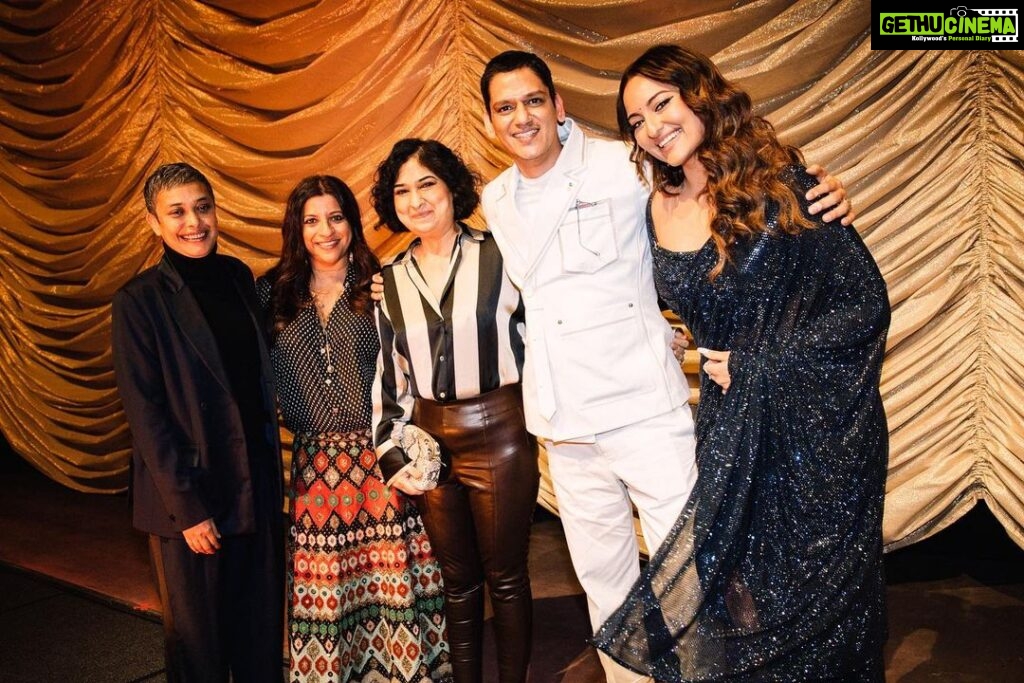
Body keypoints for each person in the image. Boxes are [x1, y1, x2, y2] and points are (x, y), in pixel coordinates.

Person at [477, 51, 853, 683]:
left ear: (558, 106)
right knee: (602, 579)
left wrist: (816, 187)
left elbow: (719, 188)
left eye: (534, 100)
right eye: (505, 107)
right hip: (562, 421)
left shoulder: (626, 165)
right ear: (491, 121)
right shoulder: (496, 198)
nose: (522, 117)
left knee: (691, 570)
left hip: (644, 406)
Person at [592, 44, 890, 681]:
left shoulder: (781, 185)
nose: (652, 127)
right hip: (730, 424)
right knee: (738, 594)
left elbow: (865, 304)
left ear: (700, 96)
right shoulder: (651, 206)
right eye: (636, 120)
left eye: (662, 104)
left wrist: (761, 363)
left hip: (818, 430)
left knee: (823, 602)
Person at [256, 175, 451, 683]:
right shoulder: (271, 294)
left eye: (336, 217)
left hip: (379, 460)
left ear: (352, 222)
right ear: (296, 229)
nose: (326, 231)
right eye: (312, 220)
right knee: (327, 593)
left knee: (389, 586)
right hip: (313, 469)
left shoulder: (381, 285)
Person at [370, 139, 538, 683]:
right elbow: (390, 377)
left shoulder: (502, 254)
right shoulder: (389, 279)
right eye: (402, 191)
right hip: (431, 440)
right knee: (456, 580)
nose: (416, 200)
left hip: (500, 431)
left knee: (505, 576)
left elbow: (545, 334)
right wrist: (392, 453)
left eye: (428, 185)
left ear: (451, 189)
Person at [111, 162, 285, 682]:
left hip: (255, 486)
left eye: (202, 207)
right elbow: (146, 416)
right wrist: (188, 511)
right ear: (153, 222)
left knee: (259, 638)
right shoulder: (138, 301)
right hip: (191, 498)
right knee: (199, 651)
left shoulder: (238, 276)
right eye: (177, 212)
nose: (194, 222)